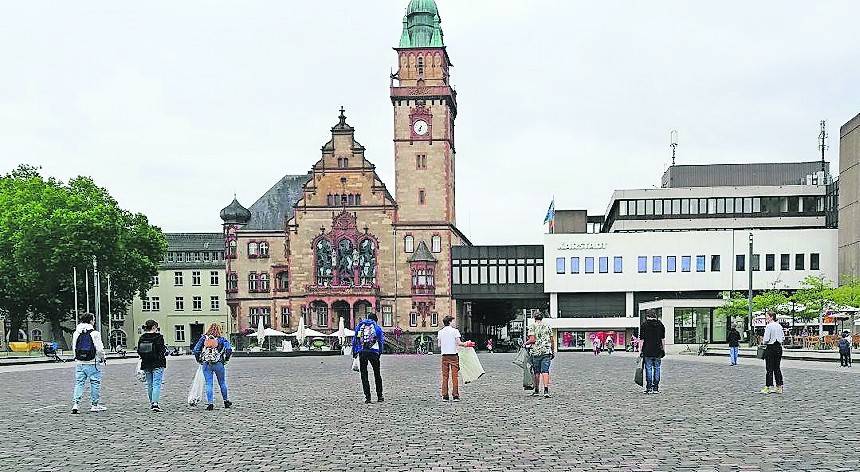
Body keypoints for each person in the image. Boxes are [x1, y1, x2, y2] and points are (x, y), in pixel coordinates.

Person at [71, 312, 106, 414]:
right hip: (92, 362)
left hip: (79, 362)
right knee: (95, 383)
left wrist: (76, 358)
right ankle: (94, 405)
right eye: (93, 319)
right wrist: (103, 358)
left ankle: (76, 404)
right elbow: (99, 349)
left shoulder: (76, 333)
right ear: (91, 320)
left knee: (79, 383)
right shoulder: (95, 333)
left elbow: (74, 347)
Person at [192, 323, 234, 410]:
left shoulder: (204, 338)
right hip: (219, 363)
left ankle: (210, 403)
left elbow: (196, 350)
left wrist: (199, 360)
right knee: (222, 383)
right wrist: (226, 359)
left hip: (206, 363)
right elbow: (229, 349)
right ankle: (226, 401)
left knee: (209, 383)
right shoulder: (222, 339)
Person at [437, 315, 474, 402]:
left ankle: (445, 395)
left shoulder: (440, 332)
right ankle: (455, 395)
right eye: (453, 321)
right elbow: (459, 343)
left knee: (445, 376)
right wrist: (467, 344)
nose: (454, 322)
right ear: (450, 322)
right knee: (455, 376)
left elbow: (439, 345)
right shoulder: (455, 331)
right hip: (453, 355)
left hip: (444, 356)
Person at [352, 313, 385, 404]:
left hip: (362, 352)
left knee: (364, 374)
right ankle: (380, 396)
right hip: (374, 352)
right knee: (377, 374)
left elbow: (355, 340)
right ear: (375, 320)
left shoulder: (360, 326)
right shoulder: (377, 328)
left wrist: (355, 352)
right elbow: (381, 341)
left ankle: (367, 397)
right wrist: (380, 352)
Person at [137, 320, 168, 412]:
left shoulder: (142, 337)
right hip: (158, 363)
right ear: (154, 327)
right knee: (157, 383)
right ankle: (155, 403)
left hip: (146, 363)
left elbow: (139, 351)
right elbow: (162, 351)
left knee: (149, 384)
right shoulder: (158, 337)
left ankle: (152, 402)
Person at [525, 313, 554, 398]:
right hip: (546, 351)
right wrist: (552, 351)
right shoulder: (547, 326)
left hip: (536, 351)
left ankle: (537, 390)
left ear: (534, 318)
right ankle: (546, 390)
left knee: (536, 372)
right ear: (542, 318)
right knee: (545, 371)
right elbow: (552, 340)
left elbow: (532, 339)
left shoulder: (532, 326)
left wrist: (525, 343)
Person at [640, 312, 666, 394]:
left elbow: (642, 340)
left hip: (647, 350)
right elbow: (662, 339)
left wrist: (640, 350)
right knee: (657, 368)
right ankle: (656, 388)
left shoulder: (644, 325)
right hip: (658, 350)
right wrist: (663, 349)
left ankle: (649, 388)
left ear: (647, 316)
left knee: (648, 368)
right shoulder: (660, 325)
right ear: (655, 316)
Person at [760, 311, 784, 394]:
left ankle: (768, 387)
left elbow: (766, 339)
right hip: (779, 348)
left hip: (770, 347)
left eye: (767, 316)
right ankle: (779, 387)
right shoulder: (779, 326)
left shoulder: (769, 326)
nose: (766, 318)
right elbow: (783, 337)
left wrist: (763, 342)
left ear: (771, 317)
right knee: (777, 368)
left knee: (769, 368)